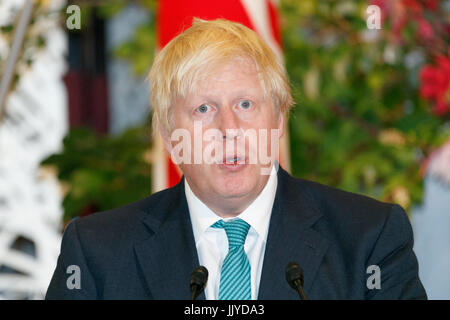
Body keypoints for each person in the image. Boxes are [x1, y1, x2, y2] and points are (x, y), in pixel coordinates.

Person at [45, 18, 426, 300]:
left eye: (246, 104)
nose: (229, 128)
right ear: (169, 139)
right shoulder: (97, 254)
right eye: (203, 108)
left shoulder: (368, 239)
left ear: (278, 121)